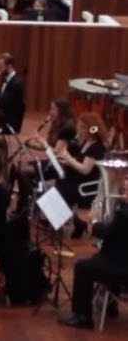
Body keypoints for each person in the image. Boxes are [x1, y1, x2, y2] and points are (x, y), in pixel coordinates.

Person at [59, 174, 128, 329]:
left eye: (126, 190)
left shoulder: (125, 214)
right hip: (122, 258)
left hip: (120, 265)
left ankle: (83, 316)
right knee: (100, 258)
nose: (123, 192)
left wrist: (94, 220)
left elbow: (106, 233)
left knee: (82, 268)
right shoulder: (124, 211)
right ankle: (111, 306)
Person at [56, 112, 107, 238]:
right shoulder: (87, 142)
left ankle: (63, 221)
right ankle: (61, 222)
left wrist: (68, 158)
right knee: (59, 182)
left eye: (83, 127)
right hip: (78, 180)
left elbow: (85, 170)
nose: (80, 130)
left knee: (62, 190)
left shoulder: (97, 147)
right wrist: (66, 161)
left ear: (92, 128)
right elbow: (79, 161)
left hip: (85, 186)